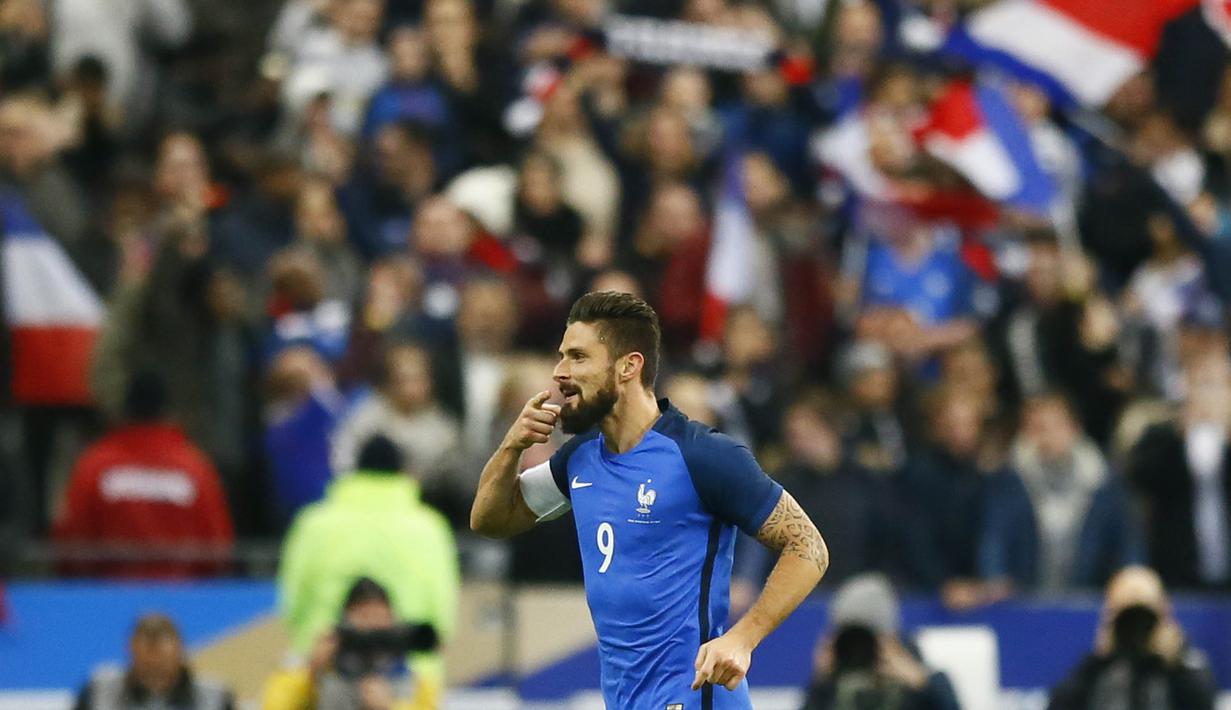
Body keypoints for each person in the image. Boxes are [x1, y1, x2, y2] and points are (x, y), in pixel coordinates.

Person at [470, 291, 828, 708]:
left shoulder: (702, 456)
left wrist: (742, 639)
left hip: (693, 697)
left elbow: (808, 545)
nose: (560, 372)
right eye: (561, 356)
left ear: (628, 366)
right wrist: (511, 447)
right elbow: (490, 520)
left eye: (578, 357)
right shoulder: (579, 459)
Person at [279, 435, 459, 694]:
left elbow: (293, 600)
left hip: (326, 673)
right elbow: (442, 608)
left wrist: (312, 648)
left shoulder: (313, 524)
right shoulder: (428, 527)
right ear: (402, 472)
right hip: (409, 678)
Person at [53, 372, 234, 579]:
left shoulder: (95, 464)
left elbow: (71, 539)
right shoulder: (194, 466)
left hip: (105, 599)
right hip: (183, 598)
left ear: (125, 412)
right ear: (166, 413)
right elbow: (218, 545)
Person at [1009, 394, 1144, 592]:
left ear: (1075, 428)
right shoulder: (1009, 481)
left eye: (1056, 426)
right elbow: (995, 543)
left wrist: (1133, 584)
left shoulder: (1103, 481)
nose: (1048, 435)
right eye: (1038, 428)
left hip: (1088, 600)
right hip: (1024, 601)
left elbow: (1127, 544)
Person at [1127, 351, 1231, 589]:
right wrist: (1181, 431)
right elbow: (1138, 476)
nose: (1210, 395)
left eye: (1218, 385)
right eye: (1203, 384)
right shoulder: (1161, 434)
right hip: (1177, 573)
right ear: (1187, 387)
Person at [1048, 566, 1216, 710]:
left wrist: (1174, 664)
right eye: (1127, 619)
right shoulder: (1096, 670)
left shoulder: (1187, 664)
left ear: (1164, 613)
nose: (1136, 629)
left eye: (1146, 619)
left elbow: (1204, 703)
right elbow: (1059, 704)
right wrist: (1100, 658)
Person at [263, 577, 439, 710]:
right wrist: (311, 671)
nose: (372, 631)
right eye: (363, 618)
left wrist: (390, 706)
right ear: (343, 622)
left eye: (380, 619)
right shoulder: (315, 673)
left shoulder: (415, 683)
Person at [800, 574, 960, 710]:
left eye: (868, 638)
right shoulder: (831, 685)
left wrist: (922, 684)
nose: (860, 648)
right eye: (852, 639)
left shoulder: (923, 682)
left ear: (892, 637)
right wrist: (821, 682)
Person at [74, 613, 234, 710]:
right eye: (147, 648)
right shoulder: (99, 692)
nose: (154, 660)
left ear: (180, 649)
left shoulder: (214, 697)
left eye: (160, 648)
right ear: (130, 648)